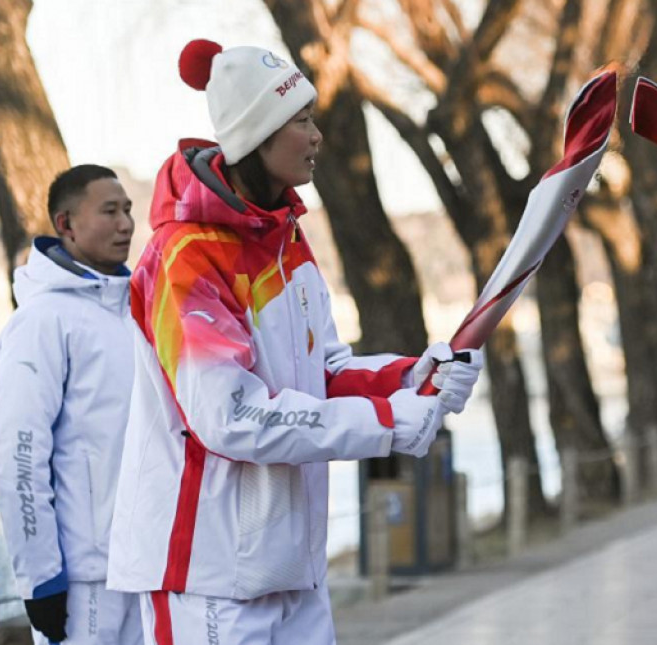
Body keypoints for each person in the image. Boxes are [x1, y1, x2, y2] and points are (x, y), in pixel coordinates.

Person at [105, 40, 482, 644]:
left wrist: (411, 377)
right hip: (209, 576)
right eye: (302, 121)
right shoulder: (186, 258)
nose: (316, 137)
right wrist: (387, 420)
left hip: (291, 567)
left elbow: (320, 373)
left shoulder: (287, 241)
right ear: (259, 134)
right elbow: (230, 416)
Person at [0, 165, 143, 644]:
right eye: (110, 211)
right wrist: (41, 580)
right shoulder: (42, 321)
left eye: (128, 210)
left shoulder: (138, 314)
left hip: (147, 568)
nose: (125, 224)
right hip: (82, 583)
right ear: (67, 224)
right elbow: (17, 454)